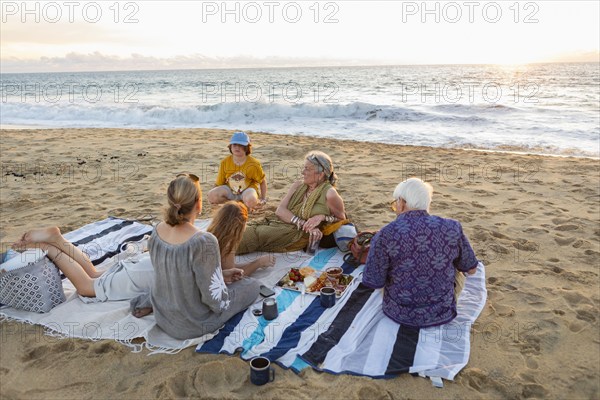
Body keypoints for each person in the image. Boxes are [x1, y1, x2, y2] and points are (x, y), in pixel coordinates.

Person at [149, 174, 261, 340]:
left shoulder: (157, 230)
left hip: (163, 317)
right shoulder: (203, 241)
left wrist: (220, 275)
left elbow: (177, 275)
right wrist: (222, 285)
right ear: (198, 204)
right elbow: (215, 302)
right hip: (191, 324)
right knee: (252, 286)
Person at [362, 177, 479, 329]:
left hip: (399, 312)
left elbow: (375, 281)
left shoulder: (385, 234)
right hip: (442, 311)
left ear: (402, 203)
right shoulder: (452, 227)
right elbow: (471, 269)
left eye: (394, 204)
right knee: (458, 265)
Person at [237, 151, 348, 254]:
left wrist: (322, 217)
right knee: (240, 228)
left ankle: (226, 250)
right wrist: (302, 223)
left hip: (295, 234)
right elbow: (280, 211)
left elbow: (341, 218)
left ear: (321, 174)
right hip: (276, 221)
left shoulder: (330, 194)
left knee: (256, 235)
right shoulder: (298, 185)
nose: (302, 172)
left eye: (307, 169)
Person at [11, 227, 153, 302]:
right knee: (86, 287)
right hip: (150, 271)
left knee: (94, 274)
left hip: (148, 262)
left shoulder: (166, 227)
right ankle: (46, 247)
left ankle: (58, 240)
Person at [207, 201, 276, 276]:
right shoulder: (227, 242)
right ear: (237, 225)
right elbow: (232, 275)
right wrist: (258, 263)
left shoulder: (214, 233)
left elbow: (228, 267)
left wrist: (256, 262)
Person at [207, 131, 267, 210]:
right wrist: (212, 196)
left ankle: (245, 204)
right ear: (230, 146)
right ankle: (234, 205)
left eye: (240, 145)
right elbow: (219, 183)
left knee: (251, 200)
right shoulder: (225, 162)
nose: (237, 147)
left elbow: (262, 181)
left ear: (247, 147)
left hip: (247, 190)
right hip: (230, 190)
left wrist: (263, 198)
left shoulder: (254, 164)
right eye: (234, 145)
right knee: (211, 195)